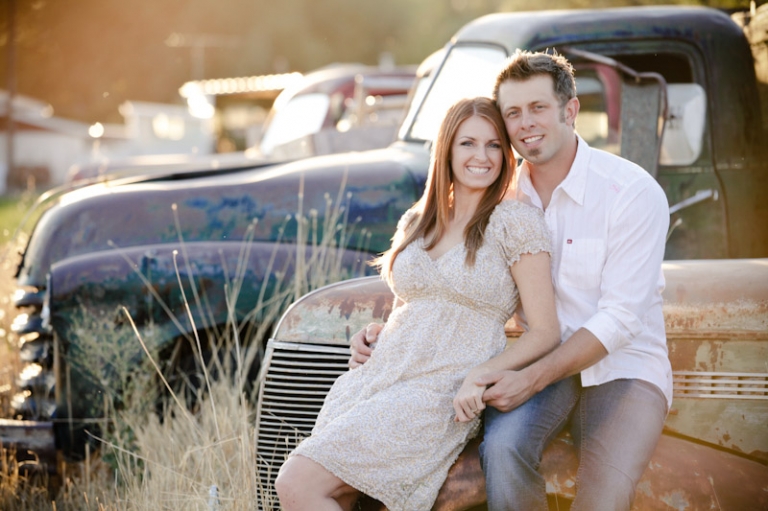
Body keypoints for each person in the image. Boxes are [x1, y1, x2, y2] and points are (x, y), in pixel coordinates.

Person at [350, 50, 673, 511]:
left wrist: (531, 379)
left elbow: (620, 320)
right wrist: (386, 334)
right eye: (513, 113)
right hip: (530, 355)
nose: (525, 124)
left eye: (538, 108)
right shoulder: (499, 195)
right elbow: (443, 281)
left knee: (603, 495)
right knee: (501, 451)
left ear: (570, 109)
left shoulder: (631, 193)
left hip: (621, 367)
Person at [275, 96, 560, 511]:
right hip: (379, 377)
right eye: (467, 143)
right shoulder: (417, 221)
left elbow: (547, 331)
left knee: (297, 482)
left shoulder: (514, 222)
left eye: (494, 145)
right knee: (343, 495)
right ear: (446, 148)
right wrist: (373, 334)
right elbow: (411, 306)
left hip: (441, 389)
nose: (481, 156)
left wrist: (480, 376)